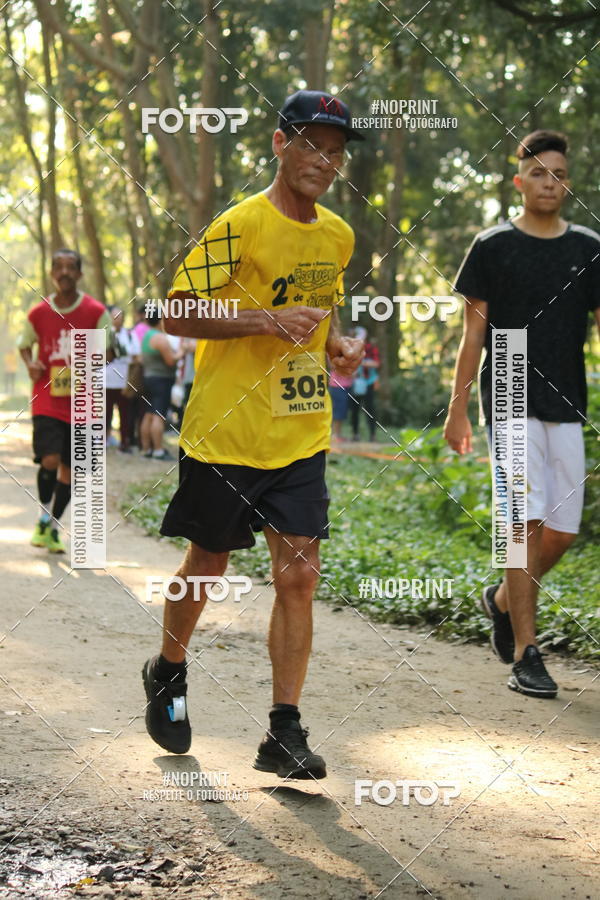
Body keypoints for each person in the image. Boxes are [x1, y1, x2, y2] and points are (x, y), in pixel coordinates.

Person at [142, 89, 365, 777]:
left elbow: (319, 315)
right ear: (279, 144)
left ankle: (283, 733)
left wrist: (337, 350)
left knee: (299, 575)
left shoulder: (337, 235)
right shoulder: (240, 225)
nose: (321, 162)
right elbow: (173, 311)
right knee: (206, 565)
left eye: (333, 153)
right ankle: (168, 669)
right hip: (225, 434)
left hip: (300, 435)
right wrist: (264, 321)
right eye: (308, 145)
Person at [444, 130, 600, 699]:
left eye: (559, 174)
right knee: (520, 525)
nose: (549, 183)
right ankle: (527, 653)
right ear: (520, 181)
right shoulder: (491, 245)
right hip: (507, 384)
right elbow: (473, 336)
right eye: (539, 173)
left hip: (567, 394)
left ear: (568, 183)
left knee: (561, 532)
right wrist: (457, 410)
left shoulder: (588, 247)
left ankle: (503, 600)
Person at [18, 249, 111, 553]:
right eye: (58, 267)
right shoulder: (38, 313)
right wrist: (31, 363)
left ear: (80, 274)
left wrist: (91, 361)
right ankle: (45, 515)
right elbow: (24, 345)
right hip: (46, 397)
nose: (64, 272)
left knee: (71, 469)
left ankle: (52, 525)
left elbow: (112, 350)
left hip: (82, 403)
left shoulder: (96, 311)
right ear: (51, 274)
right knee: (49, 460)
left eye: (71, 267)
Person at [139, 308, 182, 460]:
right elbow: (170, 361)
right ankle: (158, 450)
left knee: (148, 414)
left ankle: (146, 449)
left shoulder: (146, 336)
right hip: (161, 380)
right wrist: (181, 352)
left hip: (148, 378)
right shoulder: (160, 338)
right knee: (159, 414)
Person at [105, 305, 140, 453]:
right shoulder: (104, 334)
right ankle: (103, 440)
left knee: (125, 414)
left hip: (124, 382)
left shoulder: (130, 335)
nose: (117, 319)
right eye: (114, 316)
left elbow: (137, 356)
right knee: (105, 413)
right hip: (105, 381)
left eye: (119, 316)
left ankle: (124, 441)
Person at [349, 326, 380, 441]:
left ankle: (373, 435)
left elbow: (376, 364)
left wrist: (361, 362)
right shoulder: (350, 348)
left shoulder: (371, 348)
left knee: (370, 410)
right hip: (355, 383)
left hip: (369, 383)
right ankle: (355, 434)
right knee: (354, 410)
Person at [329, 369, 353, 442]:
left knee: (342, 411)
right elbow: (333, 366)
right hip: (337, 386)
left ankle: (338, 434)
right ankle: (335, 435)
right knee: (337, 411)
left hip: (346, 385)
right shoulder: (335, 357)